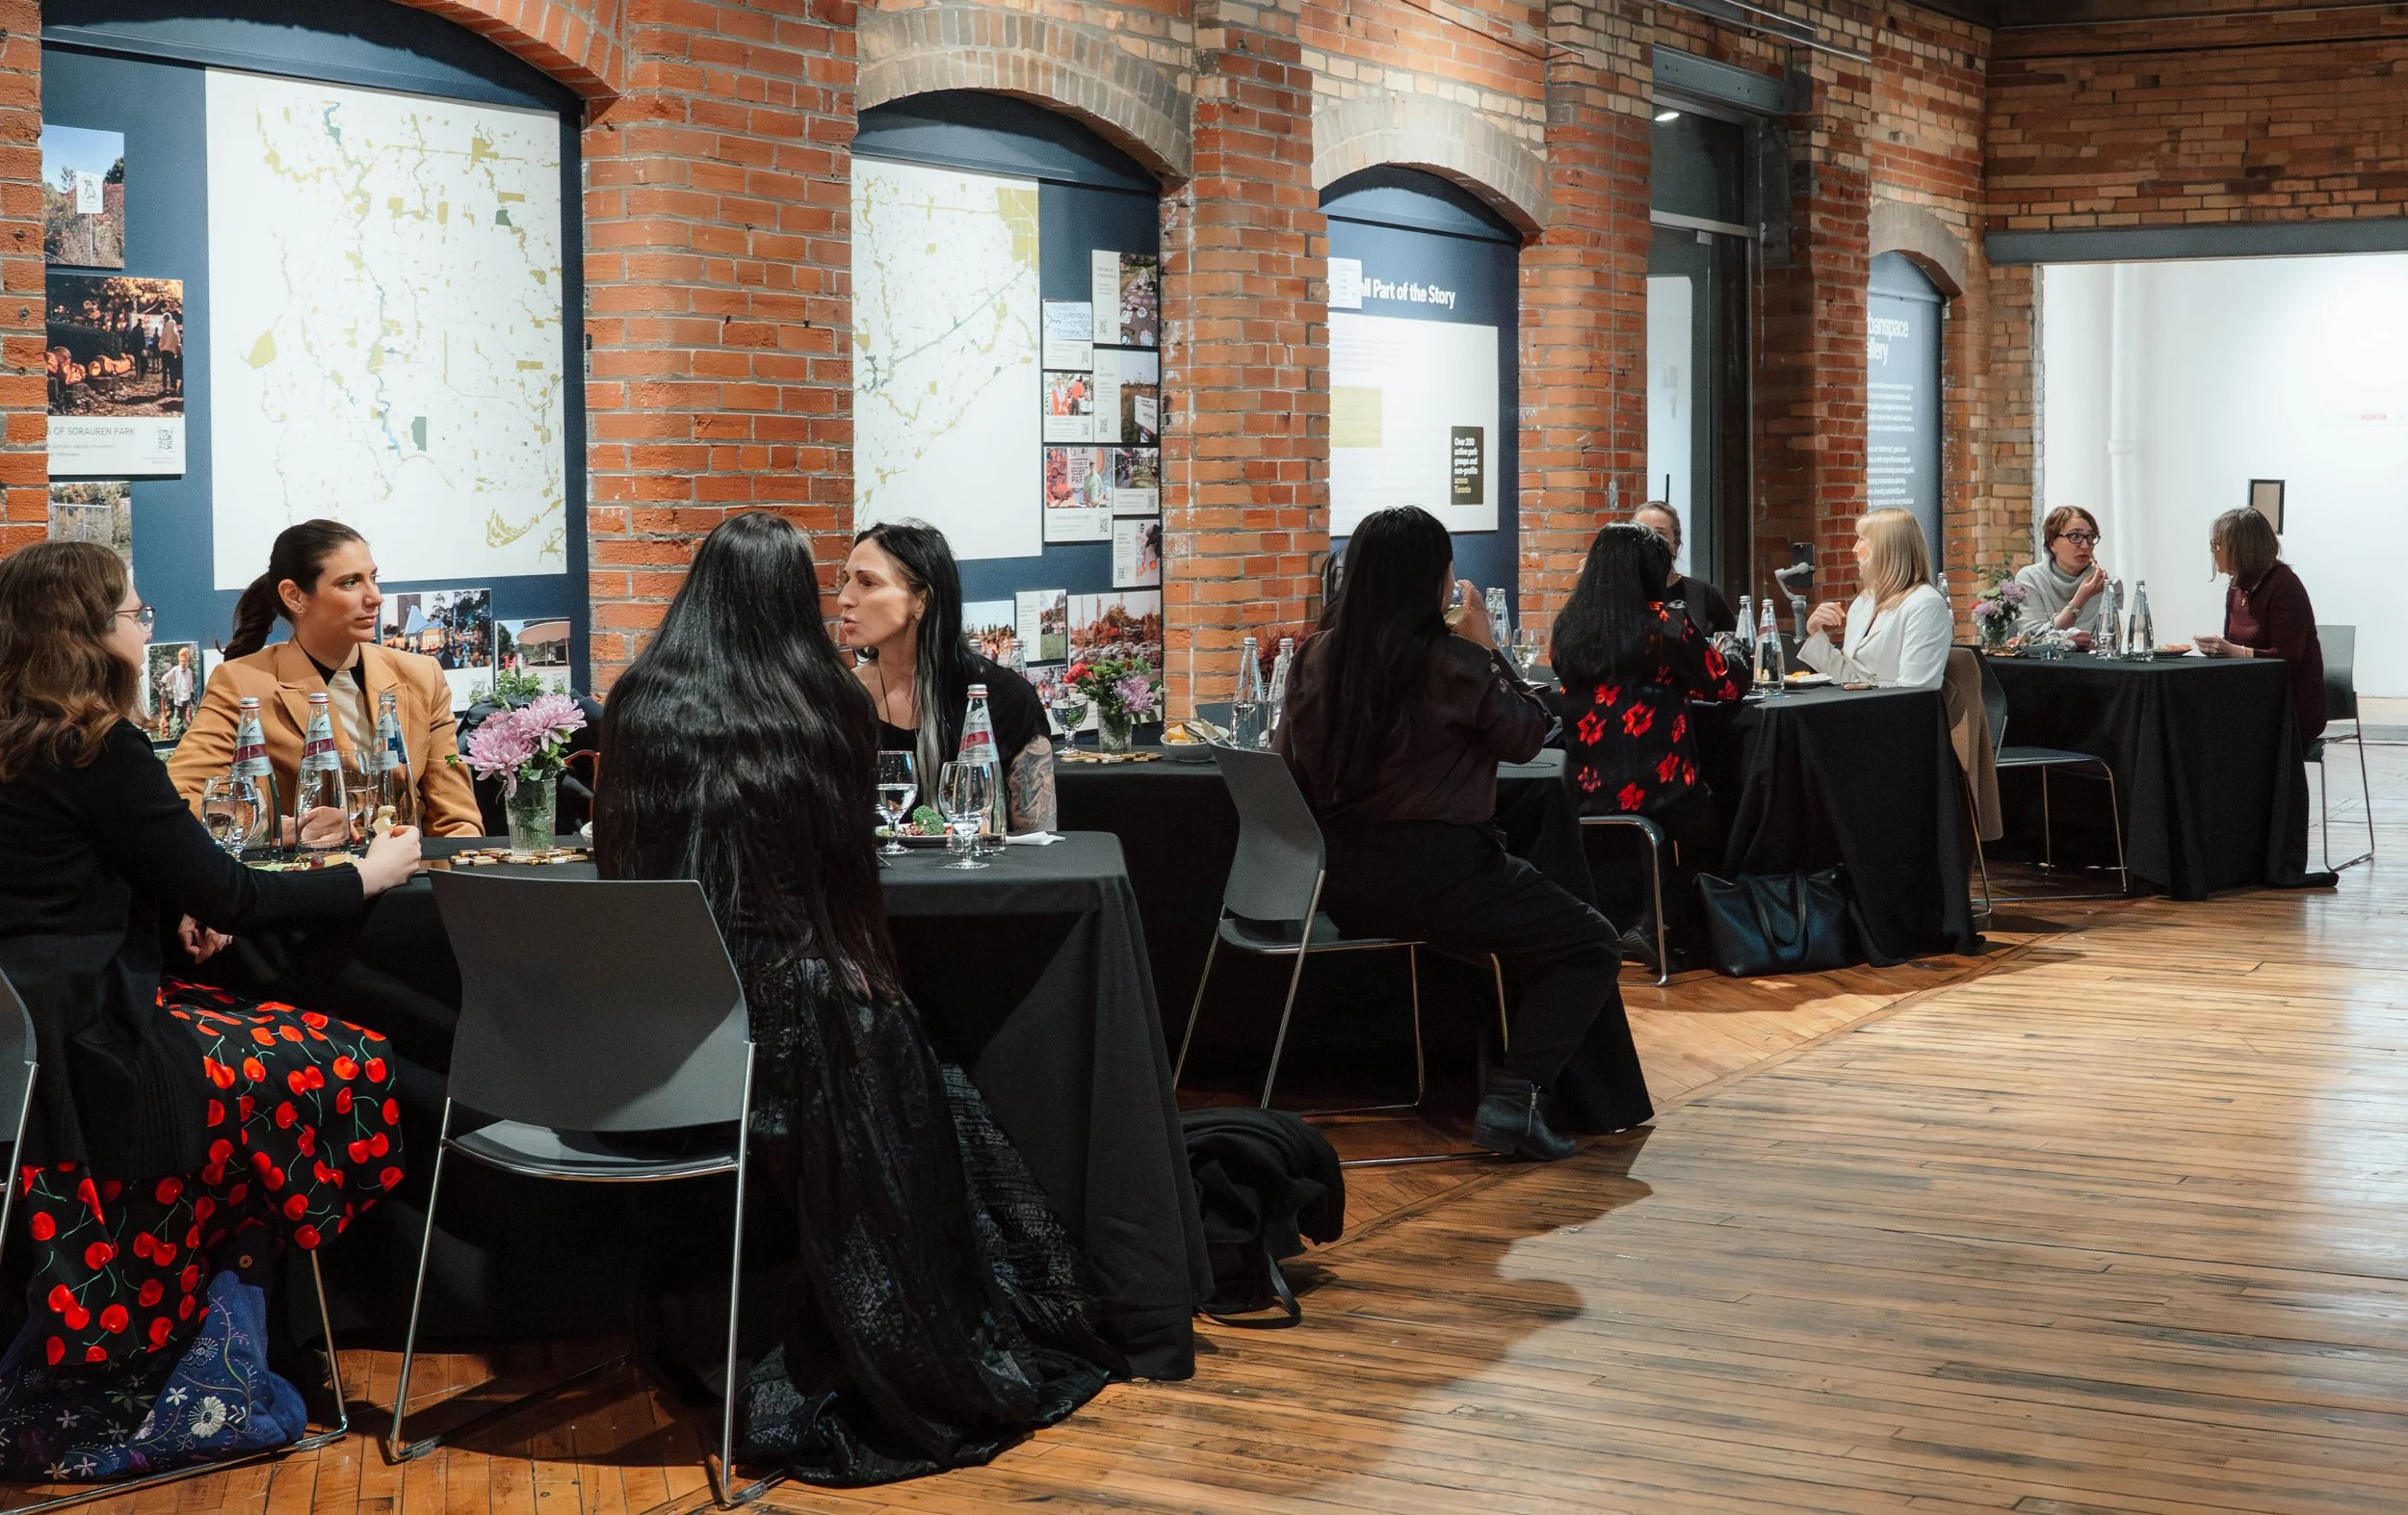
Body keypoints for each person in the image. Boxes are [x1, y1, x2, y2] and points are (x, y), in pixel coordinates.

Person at [592, 512, 1119, 1484]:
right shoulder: (818, 708)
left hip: (655, 1046)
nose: (837, 601)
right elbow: (843, 900)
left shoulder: (635, 703)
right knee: (927, 1083)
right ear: (788, 600)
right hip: (792, 1030)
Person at [0, 542, 418, 1454]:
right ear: (85, 635)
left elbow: (64, 876)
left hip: (24, 1037)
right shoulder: (97, 745)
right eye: (134, 615)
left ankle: (239, 1323)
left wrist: (168, 901)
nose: (143, 630)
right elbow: (238, 894)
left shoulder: (21, 740)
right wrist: (364, 871)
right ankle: (236, 1333)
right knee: (339, 1060)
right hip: (93, 1040)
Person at [1274, 506, 1651, 1160]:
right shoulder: (1452, 663)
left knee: (1538, 919)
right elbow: (1532, 734)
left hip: (1338, 881)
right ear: (1437, 580)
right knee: (1590, 942)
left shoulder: (1314, 657)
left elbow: (1288, 769)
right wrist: (1488, 648)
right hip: (1442, 878)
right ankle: (1516, 1097)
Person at [168, 520, 483, 839]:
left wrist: (443, 883)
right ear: (294, 597)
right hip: (315, 882)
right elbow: (182, 799)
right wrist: (278, 830)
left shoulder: (421, 676)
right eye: (350, 583)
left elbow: (456, 821)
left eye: (373, 578)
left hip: (412, 881)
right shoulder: (242, 683)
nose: (375, 597)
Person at [1549, 525, 1753, 960]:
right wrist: (1732, 648)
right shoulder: (1664, 626)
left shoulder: (1569, 626)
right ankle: (1682, 925)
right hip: (1660, 790)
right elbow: (1727, 684)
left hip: (1586, 788)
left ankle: (1636, 918)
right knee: (1726, 803)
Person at [838, 519, 1056, 833]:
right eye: (846, 581)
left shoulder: (1003, 697)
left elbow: (1039, 840)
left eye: (867, 583)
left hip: (978, 879)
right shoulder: (838, 699)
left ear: (921, 600)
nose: (845, 597)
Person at [2197, 507, 2326, 744]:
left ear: (2242, 548)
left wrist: (2235, 652)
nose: (2214, 552)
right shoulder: (2238, 586)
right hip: (2250, 695)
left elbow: (2288, 659)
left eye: (2217, 545)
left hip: (2288, 703)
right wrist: (2221, 650)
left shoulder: (2284, 586)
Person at [1799, 509, 1954, 690]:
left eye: (1861, 539)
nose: (1854, 549)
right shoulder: (1864, 601)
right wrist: (1816, 632)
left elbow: (1916, 690)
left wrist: (1867, 691)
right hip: (1858, 710)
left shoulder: (1925, 604)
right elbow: (1849, 679)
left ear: (1885, 549)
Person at [1633, 502, 1739, 637]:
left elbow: (1732, 647)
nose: (1651, 540)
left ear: (1675, 543)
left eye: (1660, 534)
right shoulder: (1621, 594)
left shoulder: (1703, 593)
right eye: (1642, 533)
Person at [2013, 506, 2110, 640]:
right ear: (2052, 542)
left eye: (2091, 537)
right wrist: (2079, 600)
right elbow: (2031, 638)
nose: (2085, 546)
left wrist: (2092, 645)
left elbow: (2110, 641)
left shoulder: (2105, 583)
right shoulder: (2030, 578)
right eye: (2075, 536)